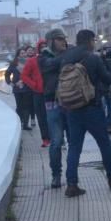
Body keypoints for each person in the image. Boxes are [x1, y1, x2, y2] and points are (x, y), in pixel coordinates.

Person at [50, 29, 111, 197]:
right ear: (90, 40)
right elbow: (108, 79)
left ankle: (71, 184)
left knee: (74, 147)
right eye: (94, 40)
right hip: (92, 108)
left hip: (72, 108)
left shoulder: (66, 57)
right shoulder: (93, 58)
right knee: (104, 143)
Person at [38, 29, 69, 187]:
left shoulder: (69, 54)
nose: (63, 41)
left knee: (74, 142)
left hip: (71, 103)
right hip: (53, 105)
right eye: (59, 39)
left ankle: (72, 178)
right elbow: (51, 66)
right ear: (51, 40)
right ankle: (56, 175)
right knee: (56, 142)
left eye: (64, 38)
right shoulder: (43, 58)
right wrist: (68, 56)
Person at [21, 40, 51, 147]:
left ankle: (57, 138)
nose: (44, 48)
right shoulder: (32, 61)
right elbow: (24, 76)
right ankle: (46, 138)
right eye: (42, 46)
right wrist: (34, 85)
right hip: (38, 93)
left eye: (45, 46)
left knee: (54, 116)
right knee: (42, 117)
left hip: (52, 93)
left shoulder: (53, 59)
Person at [5, 46, 34, 131]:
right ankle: (19, 122)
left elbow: (32, 74)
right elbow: (7, 74)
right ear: (18, 55)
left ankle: (25, 124)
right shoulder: (14, 64)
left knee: (26, 106)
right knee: (19, 106)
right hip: (17, 88)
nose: (24, 54)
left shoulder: (29, 62)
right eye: (21, 53)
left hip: (27, 87)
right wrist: (11, 83)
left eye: (24, 53)